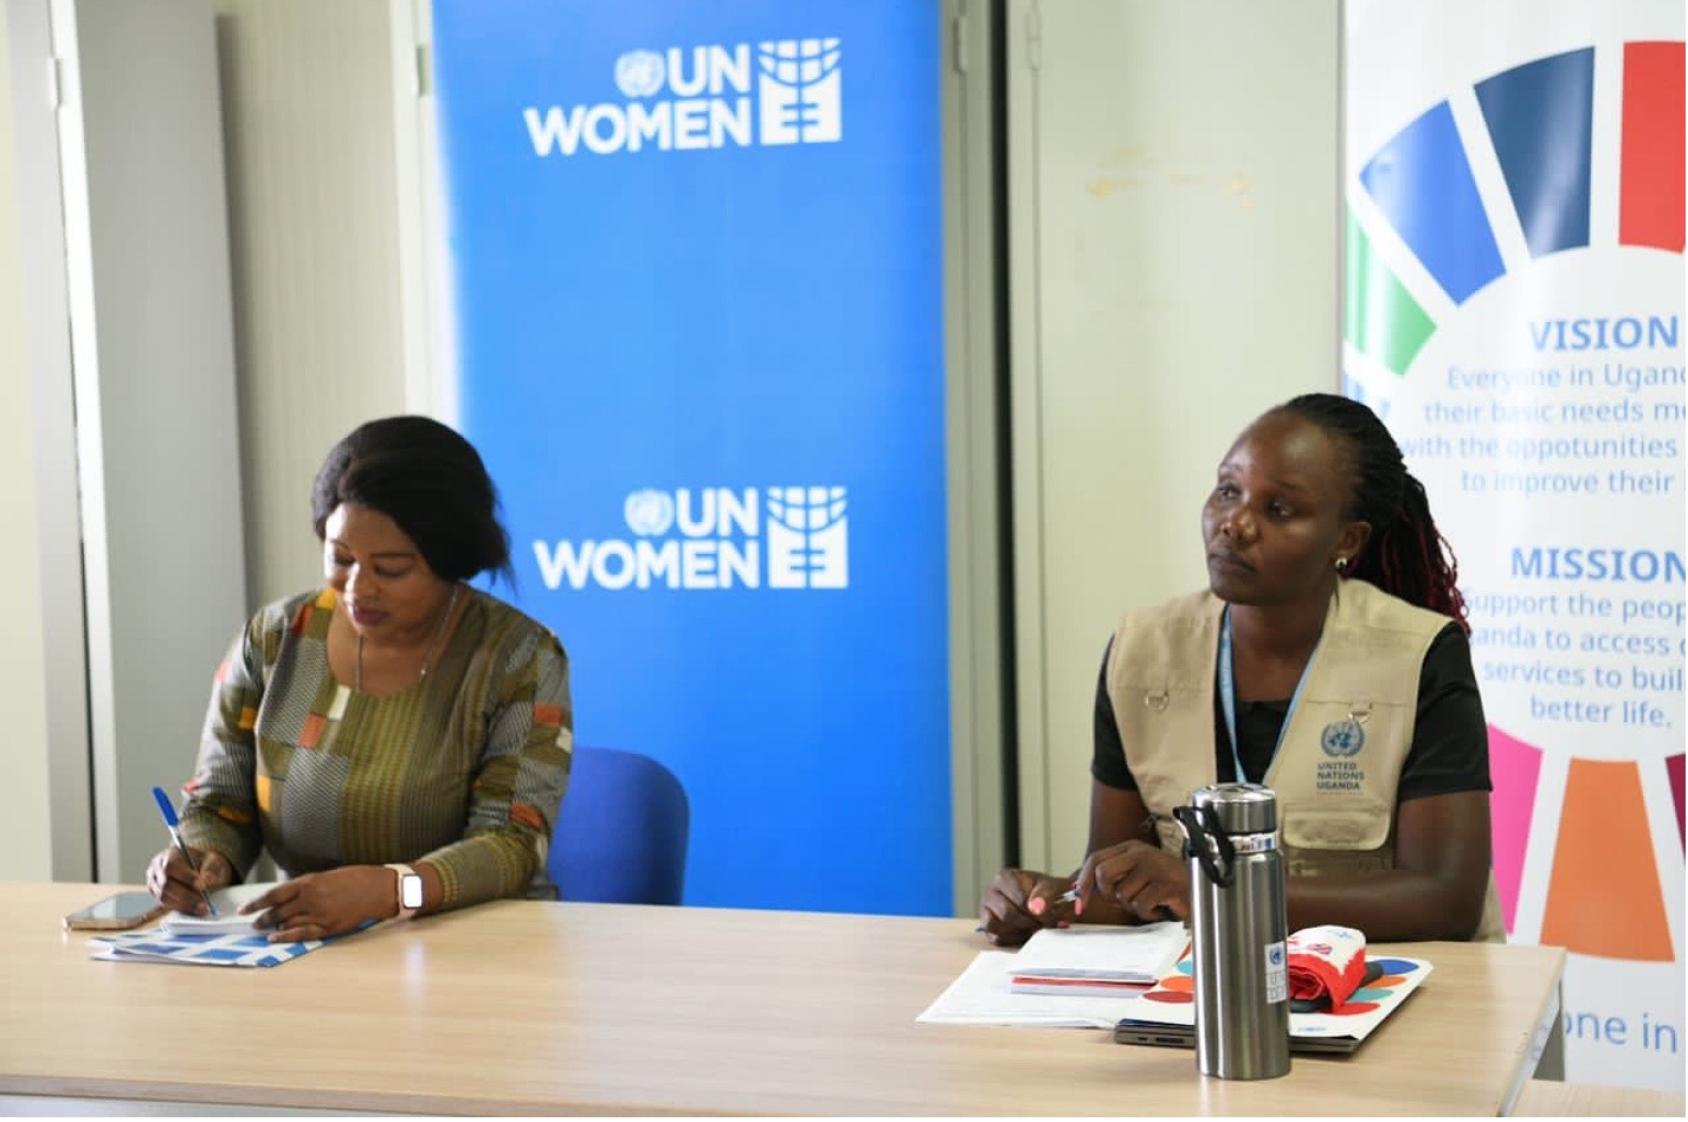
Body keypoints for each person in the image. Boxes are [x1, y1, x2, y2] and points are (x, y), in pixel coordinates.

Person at [981, 393, 1502, 946]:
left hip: (1399, 993)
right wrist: (1048, 900)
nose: (1235, 524)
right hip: (1202, 996)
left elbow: (1445, 902)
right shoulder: (1143, 651)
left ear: (1347, 540)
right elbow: (1119, 885)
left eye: (1278, 510)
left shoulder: (1419, 653)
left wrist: (1210, 889)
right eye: (1228, 492)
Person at [146, 416, 572, 942]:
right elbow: (220, 805)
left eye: (391, 569)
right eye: (340, 558)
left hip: (477, 948)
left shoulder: (516, 658)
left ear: (450, 560)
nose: (357, 589)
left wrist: (393, 890)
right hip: (306, 945)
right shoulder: (280, 640)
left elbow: (510, 844)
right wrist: (201, 858)